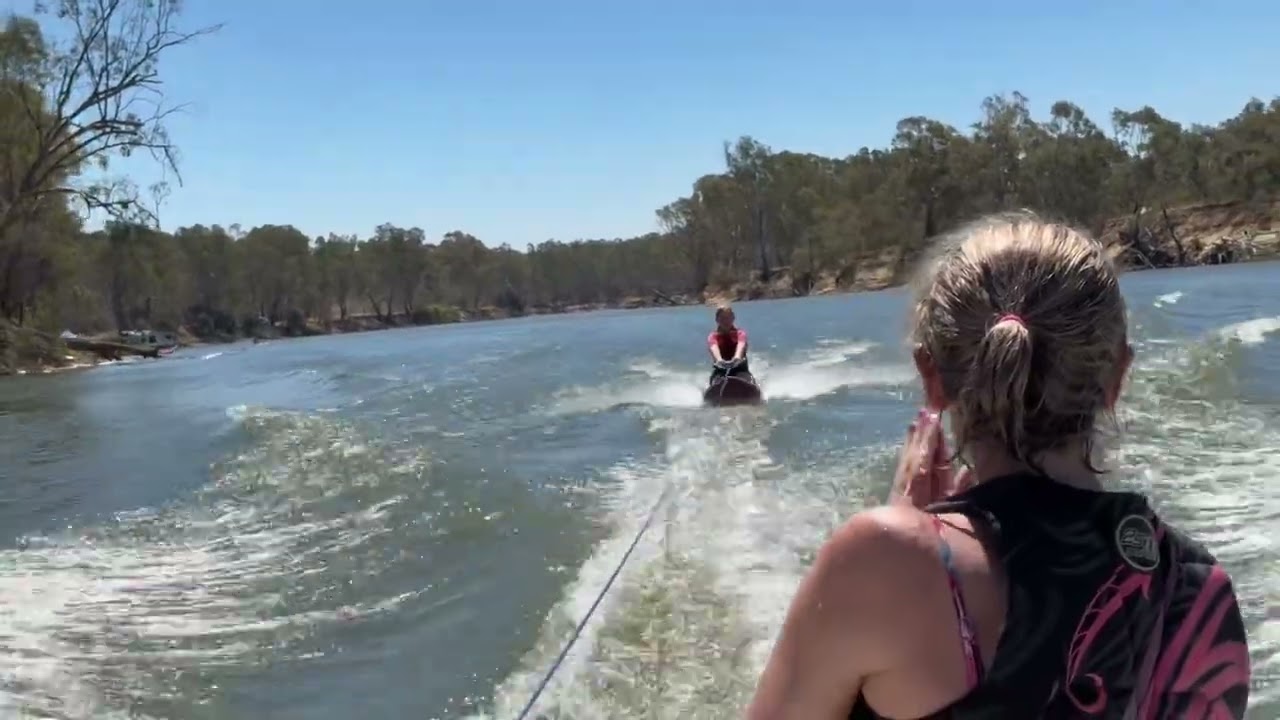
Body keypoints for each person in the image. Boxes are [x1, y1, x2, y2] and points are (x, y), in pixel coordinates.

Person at [747, 212, 1251, 719]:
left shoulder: (884, 561)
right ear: (1117, 376)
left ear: (932, 378)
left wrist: (911, 539)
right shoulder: (1198, 590)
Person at [708, 304, 753, 384]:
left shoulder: (740, 333)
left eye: (728, 318)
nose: (726, 321)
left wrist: (737, 357)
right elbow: (714, 348)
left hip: (740, 369)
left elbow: (741, 345)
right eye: (722, 318)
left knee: (743, 378)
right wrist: (719, 360)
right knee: (717, 381)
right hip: (720, 371)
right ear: (717, 320)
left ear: (733, 318)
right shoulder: (713, 336)